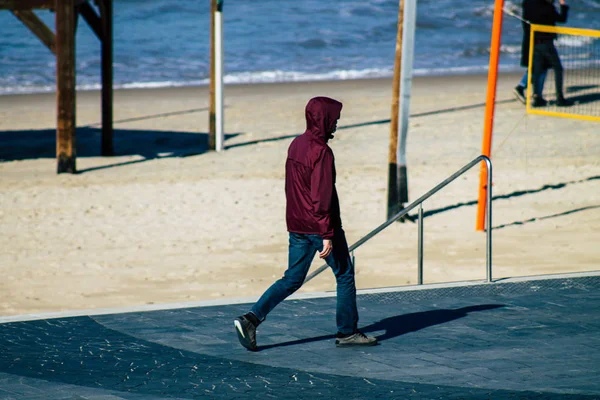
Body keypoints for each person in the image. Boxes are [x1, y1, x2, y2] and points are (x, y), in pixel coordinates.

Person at [233, 97, 377, 351]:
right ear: (324, 120)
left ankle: (251, 319)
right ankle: (347, 332)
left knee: (292, 279)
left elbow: (292, 187)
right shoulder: (321, 152)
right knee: (344, 275)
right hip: (319, 227)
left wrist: (301, 221)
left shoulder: (296, 144)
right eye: (334, 121)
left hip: (297, 224)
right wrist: (327, 233)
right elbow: (321, 196)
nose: (336, 125)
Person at [525, 0, 573, 107]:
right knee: (558, 68)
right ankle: (560, 98)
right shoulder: (547, 7)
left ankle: (537, 98)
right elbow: (562, 19)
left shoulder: (530, 4)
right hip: (546, 42)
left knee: (538, 70)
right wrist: (563, 5)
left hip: (534, 41)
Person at [513, 0, 548, 105]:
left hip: (535, 38)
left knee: (538, 67)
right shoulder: (536, 5)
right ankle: (527, 90)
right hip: (537, 40)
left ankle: (535, 94)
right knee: (539, 67)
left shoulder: (530, 4)